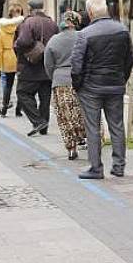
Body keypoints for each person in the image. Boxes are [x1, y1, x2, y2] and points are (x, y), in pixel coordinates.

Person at [71, 0, 133, 179]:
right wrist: (122, 78)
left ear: (90, 12)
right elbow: (129, 59)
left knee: (93, 127)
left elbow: (76, 65)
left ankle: (96, 168)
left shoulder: (85, 34)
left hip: (91, 88)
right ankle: (119, 165)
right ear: (105, 10)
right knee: (117, 126)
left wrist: (78, 85)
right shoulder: (122, 30)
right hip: (115, 85)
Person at [15, 0, 59, 136]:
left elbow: (23, 41)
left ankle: (38, 121)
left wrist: (17, 45)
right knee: (45, 97)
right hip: (48, 66)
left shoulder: (29, 22)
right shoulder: (52, 23)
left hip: (31, 65)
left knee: (22, 93)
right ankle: (43, 127)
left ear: (29, 7)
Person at [45, 11, 86, 160]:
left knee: (64, 116)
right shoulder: (83, 37)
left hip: (60, 81)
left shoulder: (53, 40)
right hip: (81, 80)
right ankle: (91, 140)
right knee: (85, 111)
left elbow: (48, 64)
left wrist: (54, 77)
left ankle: (71, 147)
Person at [0, 3, 24, 118]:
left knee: (8, 84)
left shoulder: (2, 28)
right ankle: (19, 110)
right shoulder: (23, 26)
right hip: (21, 56)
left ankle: (4, 108)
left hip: (8, 56)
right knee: (21, 85)